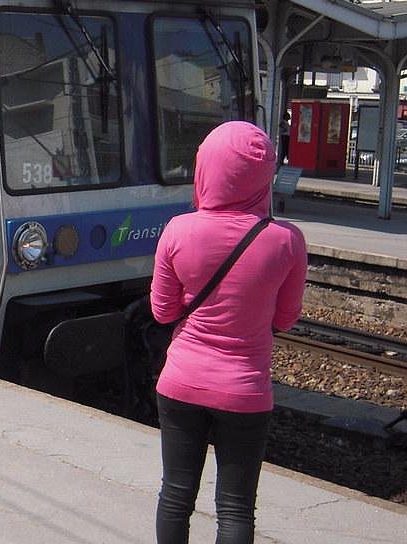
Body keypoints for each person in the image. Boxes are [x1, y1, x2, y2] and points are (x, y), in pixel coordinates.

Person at [150, 121, 308, 544]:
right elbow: (286, 319)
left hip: (181, 383)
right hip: (245, 391)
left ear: (207, 167)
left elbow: (162, 312)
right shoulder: (288, 241)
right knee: (236, 508)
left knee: (176, 495)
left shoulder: (178, 230)